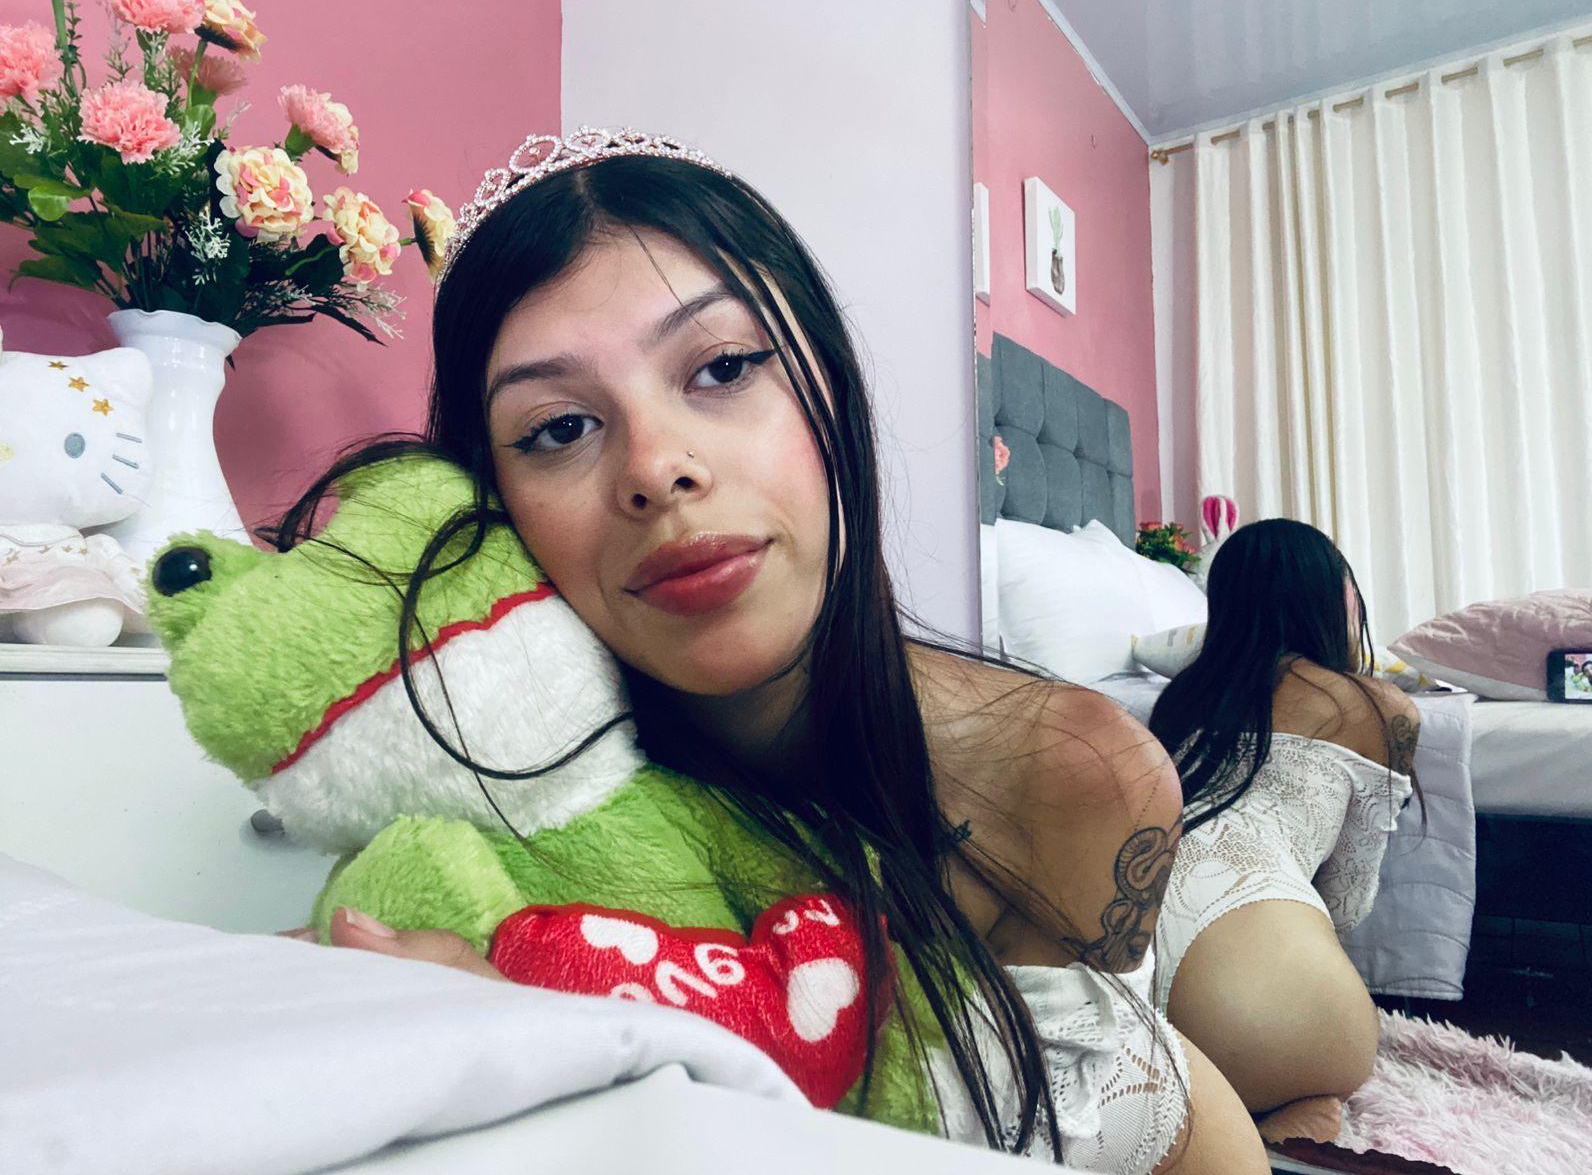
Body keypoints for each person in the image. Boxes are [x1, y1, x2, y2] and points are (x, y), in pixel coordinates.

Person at [272, 128, 1266, 1171]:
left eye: (723, 367)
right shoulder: (457, 780)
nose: (657, 468)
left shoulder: (1073, 774)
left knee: (1263, 1018)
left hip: (1213, 999)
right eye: (559, 428)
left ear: (830, 384)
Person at [1147, 518, 1418, 1146]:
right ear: (1328, 597)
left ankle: (1227, 1108)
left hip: (1121, 977)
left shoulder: (1180, 701)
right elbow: (1347, 902)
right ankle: (1289, 1101)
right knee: (1324, 1053)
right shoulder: (1378, 706)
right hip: (1259, 1019)